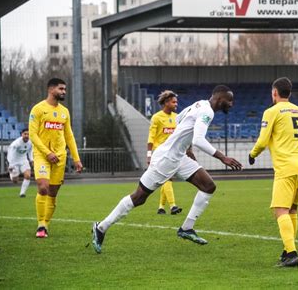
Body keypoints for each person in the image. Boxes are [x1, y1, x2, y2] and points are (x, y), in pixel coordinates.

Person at [92, 85, 242, 254]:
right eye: (229, 100)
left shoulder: (199, 104)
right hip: (166, 159)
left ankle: (186, 228)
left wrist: (187, 148)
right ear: (220, 99)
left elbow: (180, 121)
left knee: (208, 186)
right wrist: (223, 158)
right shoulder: (207, 112)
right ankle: (101, 227)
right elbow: (199, 139)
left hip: (179, 157)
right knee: (139, 197)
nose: (231, 104)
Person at [248, 77, 298, 268]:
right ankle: (287, 250)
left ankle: (291, 253)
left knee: (280, 210)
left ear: (275, 92)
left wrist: (253, 154)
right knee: (291, 209)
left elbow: (263, 139)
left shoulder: (271, 111)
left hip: (287, 167)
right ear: (289, 93)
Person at [29, 78, 83, 238]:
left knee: (52, 192)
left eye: (65, 89)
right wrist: (47, 153)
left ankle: (46, 224)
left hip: (60, 157)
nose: (64, 92)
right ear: (51, 89)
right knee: (43, 187)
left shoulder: (64, 112)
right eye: (61, 89)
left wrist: (76, 158)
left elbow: (69, 136)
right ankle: (40, 224)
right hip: (42, 155)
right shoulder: (38, 109)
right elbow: (33, 135)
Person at [147, 90, 182, 215]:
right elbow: (151, 136)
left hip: (172, 153)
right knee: (168, 179)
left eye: (176, 102)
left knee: (166, 179)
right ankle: (173, 206)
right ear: (166, 103)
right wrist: (149, 154)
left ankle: (161, 207)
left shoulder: (176, 117)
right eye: (173, 102)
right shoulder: (156, 117)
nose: (176, 104)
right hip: (160, 153)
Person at [7, 128, 33, 197]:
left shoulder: (30, 142)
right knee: (15, 181)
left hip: (24, 160)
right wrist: (11, 165)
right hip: (14, 161)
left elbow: (30, 151)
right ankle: (12, 174)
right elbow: (10, 154)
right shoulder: (16, 143)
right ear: (22, 134)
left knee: (28, 176)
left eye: (28, 134)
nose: (27, 136)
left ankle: (22, 193)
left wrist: (31, 160)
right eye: (25, 134)